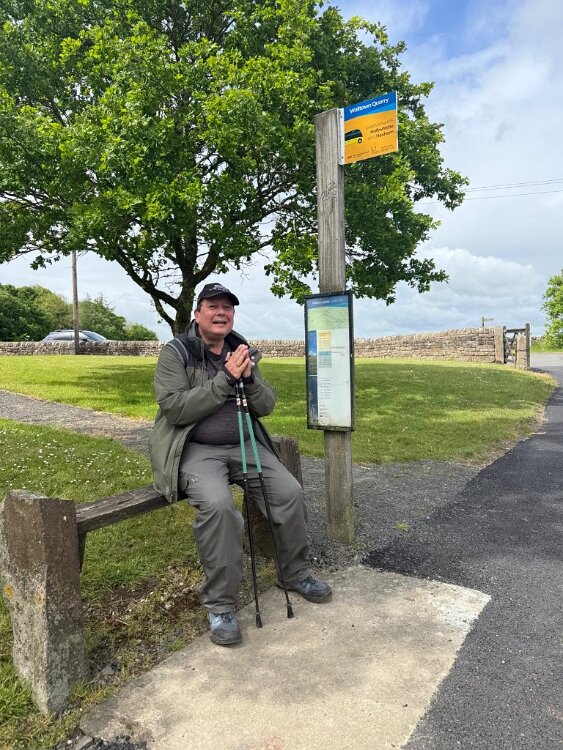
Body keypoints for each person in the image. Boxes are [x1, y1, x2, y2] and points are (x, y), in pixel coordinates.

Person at [149, 282, 332, 646]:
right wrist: (226, 379)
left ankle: (294, 573)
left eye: (228, 308)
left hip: (245, 445)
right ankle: (221, 606)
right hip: (196, 448)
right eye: (213, 306)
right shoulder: (176, 352)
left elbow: (266, 406)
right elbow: (175, 408)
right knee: (219, 508)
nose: (221, 313)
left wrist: (248, 380)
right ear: (197, 314)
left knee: (290, 493)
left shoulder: (241, 350)